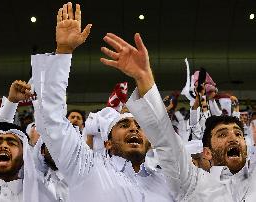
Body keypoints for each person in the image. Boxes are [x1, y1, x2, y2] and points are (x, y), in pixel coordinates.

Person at [31, 2, 173, 201]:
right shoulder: (86, 167)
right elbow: (51, 119)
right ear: (107, 143)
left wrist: (144, 78)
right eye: (124, 124)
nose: (134, 129)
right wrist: (63, 51)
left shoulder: (166, 182)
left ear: (150, 142)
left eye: (140, 126)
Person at [99, 29, 256, 202]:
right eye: (222, 134)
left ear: (247, 147)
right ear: (207, 152)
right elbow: (166, 140)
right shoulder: (193, 184)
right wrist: (144, 77)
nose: (233, 138)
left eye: (238, 133)